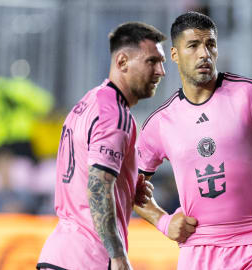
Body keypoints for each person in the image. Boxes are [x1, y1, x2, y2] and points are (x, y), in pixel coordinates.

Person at [136, 11, 252, 269]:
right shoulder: (161, 123)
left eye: (210, 44)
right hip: (196, 245)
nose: (204, 54)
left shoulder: (249, 95)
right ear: (174, 55)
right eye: (193, 46)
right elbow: (129, 184)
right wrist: (162, 221)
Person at [37, 22, 196, 270]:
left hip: (59, 253)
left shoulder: (89, 102)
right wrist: (118, 255)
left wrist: (127, 186)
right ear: (122, 62)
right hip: (89, 259)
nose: (161, 71)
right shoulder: (115, 115)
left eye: (162, 62)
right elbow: (98, 188)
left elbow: (88, 176)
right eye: (152, 62)